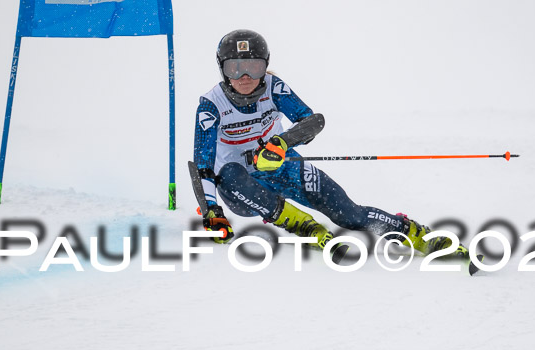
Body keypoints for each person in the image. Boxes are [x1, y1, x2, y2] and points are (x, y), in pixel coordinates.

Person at [192, 29, 466, 260]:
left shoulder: (274, 87)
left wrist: (281, 143)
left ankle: (419, 236)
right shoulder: (211, 104)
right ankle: (305, 227)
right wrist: (212, 211)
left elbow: (312, 121)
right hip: (241, 189)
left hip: (283, 168)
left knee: (348, 213)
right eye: (235, 67)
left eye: (254, 67)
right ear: (223, 68)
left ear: (265, 66)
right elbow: (203, 165)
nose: (245, 77)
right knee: (228, 172)